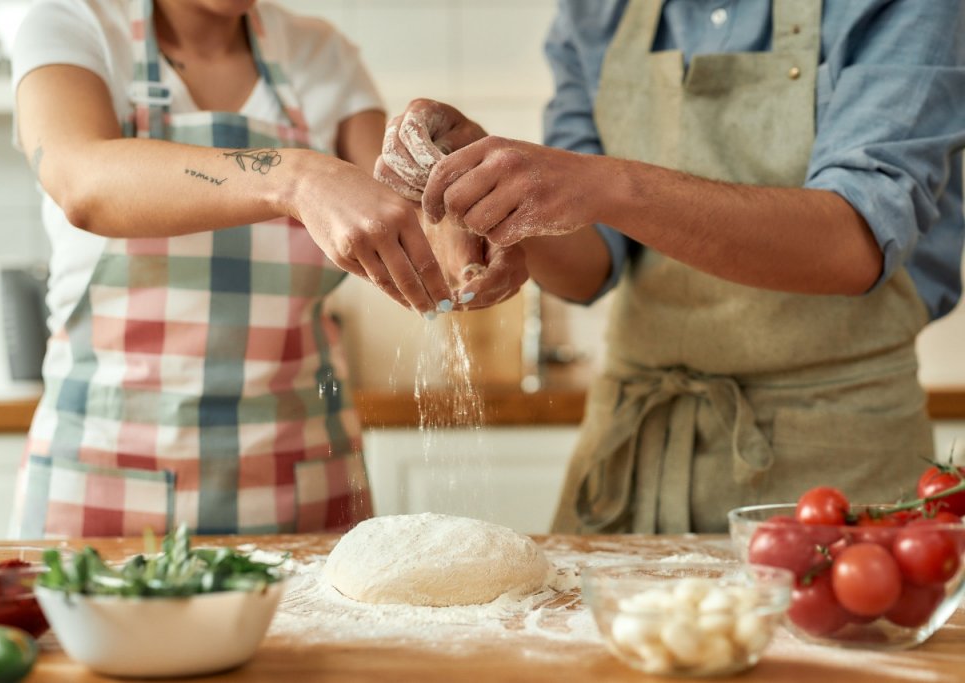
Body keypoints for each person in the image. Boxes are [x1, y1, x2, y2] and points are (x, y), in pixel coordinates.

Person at [377, 0, 965, 534]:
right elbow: (590, 267)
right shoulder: (597, 12)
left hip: (836, 455)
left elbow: (851, 244)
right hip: (635, 451)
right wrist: (495, 192)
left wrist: (605, 182)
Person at [8, 0, 523, 538]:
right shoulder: (73, 25)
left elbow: (403, 211)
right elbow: (82, 184)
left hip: (301, 475)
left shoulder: (320, 53)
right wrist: (294, 177)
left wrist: (463, 229)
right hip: (100, 475)